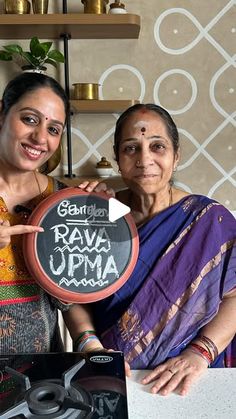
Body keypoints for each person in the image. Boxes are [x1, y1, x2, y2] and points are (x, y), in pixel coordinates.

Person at [75, 103, 236, 396]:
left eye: (157, 146)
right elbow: (73, 290)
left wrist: (199, 354)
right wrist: (90, 345)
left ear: (176, 156)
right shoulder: (100, 215)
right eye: (131, 148)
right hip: (111, 373)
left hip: (187, 379)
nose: (144, 159)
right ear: (117, 158)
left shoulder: (208, 220)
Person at [0, 72, 108, 355]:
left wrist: (90, 344)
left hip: (44, 376)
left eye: (53, 129)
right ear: (2, 114)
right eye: (29, 119)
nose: (39, 137)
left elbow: (71, 293)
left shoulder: (61, 200)